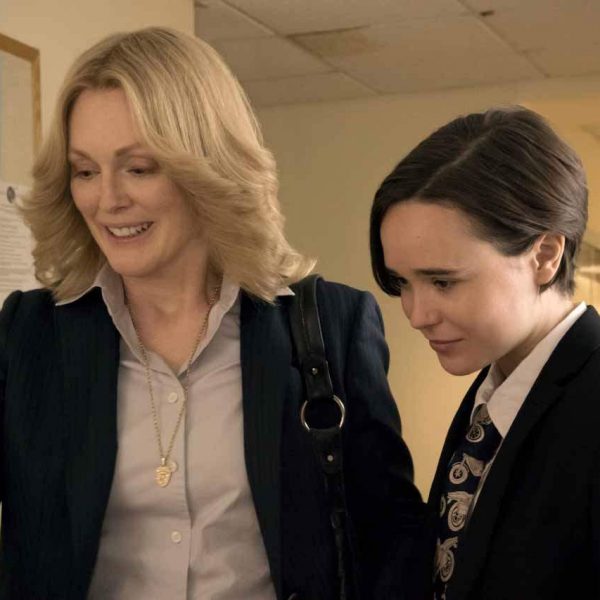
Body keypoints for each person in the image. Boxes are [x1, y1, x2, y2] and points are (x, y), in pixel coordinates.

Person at [0, 27, 424, 600]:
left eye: (139, 167)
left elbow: (392, 541)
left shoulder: (330, 325)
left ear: (206, 166)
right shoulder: (26, 334)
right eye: (85, 171)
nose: (108, 199)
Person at [370, 106, 600, 599]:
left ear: (544, 255)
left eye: (442, 282)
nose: (416, 314)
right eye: (402, 283)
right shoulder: (495, 391)